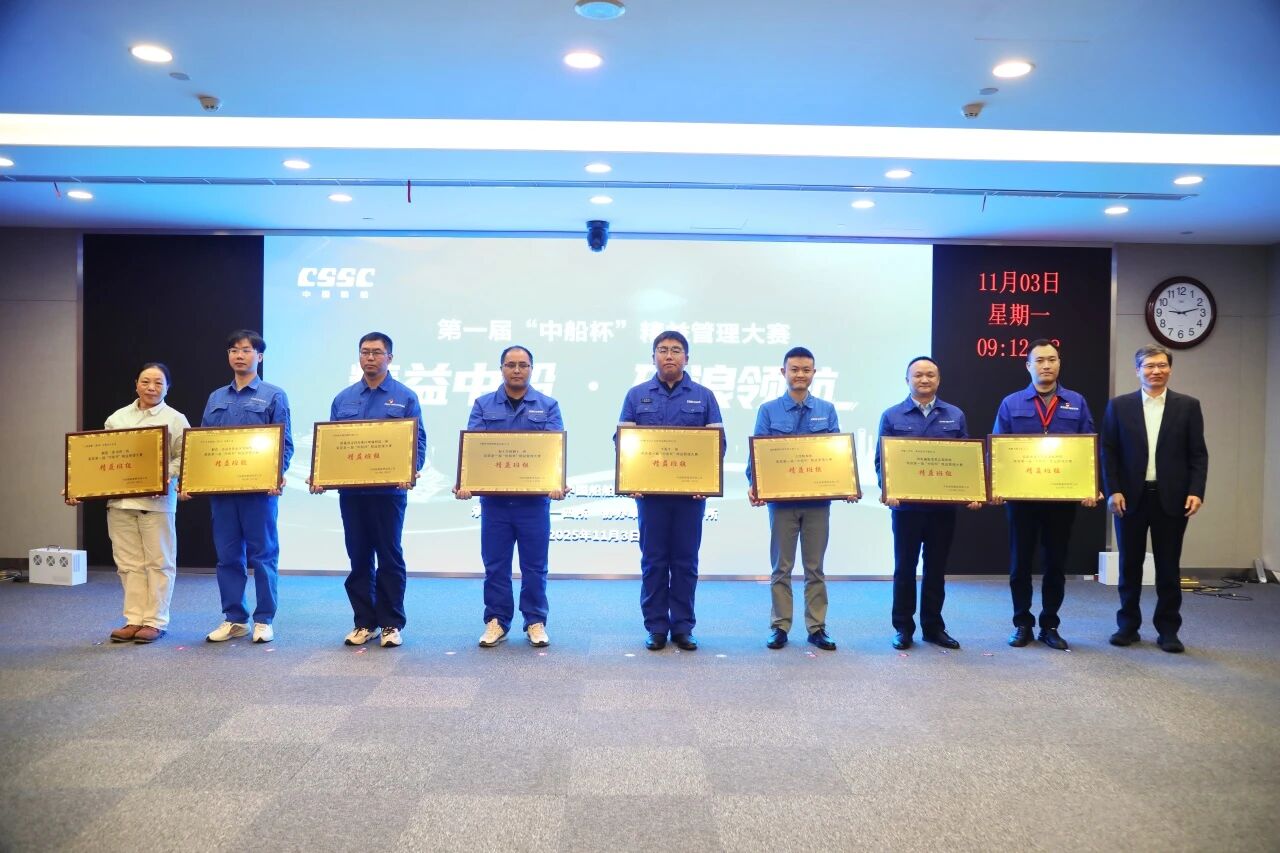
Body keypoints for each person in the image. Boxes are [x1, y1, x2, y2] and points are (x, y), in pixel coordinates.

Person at [311, 332, 425, 649]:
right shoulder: (343, 398)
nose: (370, 357)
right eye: (365, 352)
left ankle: (390, 624)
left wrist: (410, 471)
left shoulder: (405, 397)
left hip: (389, 494)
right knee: (359, 558)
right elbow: (332, 446)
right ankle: (364, 623)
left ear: (390, 357)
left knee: (389, 557)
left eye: (377, 352)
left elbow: (418, 442)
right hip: (352, 495)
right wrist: (321, 474)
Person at [66, 363, 189, 644]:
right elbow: (101, 460)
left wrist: (162, 476)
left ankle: (155, 621)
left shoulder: (176, 419)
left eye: (158, 383)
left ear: (168, 387)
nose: (151, 388)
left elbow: (184, 457)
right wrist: (78, 487)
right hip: (120, 503)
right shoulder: (117, 418)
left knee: (159, 563)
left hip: (157, 503)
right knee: (128, 564)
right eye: (146, 382)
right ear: (136, 384)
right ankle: (134, 619)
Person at [618, 330, 724, 651]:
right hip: (651, 498)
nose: (669, 355)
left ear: (686, 358)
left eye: (676, 350)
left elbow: (717, 444)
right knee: (653, 562)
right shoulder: (636, 395)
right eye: (662, 350)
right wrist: (630, 479)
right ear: (653, 357)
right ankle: (655, 627)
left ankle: (683, 627)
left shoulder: (704, 396)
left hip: (690, 498)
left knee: (685, 563)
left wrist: (707, 481)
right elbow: (622, 443)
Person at [454, 345, 564, 648]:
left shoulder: (548, 405)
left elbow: (553, 452)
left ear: (532, 369)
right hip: (495, 504)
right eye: (510, 365)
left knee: (534, 567)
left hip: (534, 504)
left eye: (523, 365)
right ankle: (497, 621)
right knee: (495, 567)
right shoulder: (483, 404)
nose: (517, 370)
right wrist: (467, 482)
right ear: (501, 368)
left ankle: (535, 621)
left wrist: (555, 482)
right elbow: (475, 451)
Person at [747, 346, 855, 652]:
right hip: (781, 503)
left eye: (806, 370)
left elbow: (836, 454)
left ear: (814, 373)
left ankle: (816, 627)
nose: (800, 374)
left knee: (815, 568)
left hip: (818, 503)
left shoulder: (827, 409)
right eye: (794, 369)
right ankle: (780, 626)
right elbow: (758, 454)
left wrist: (846, 483)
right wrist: (755, 484)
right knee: (781, 567)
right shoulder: (768, 410)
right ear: (783, 372)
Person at [993, 339, 1099, 651]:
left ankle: (1050, 625)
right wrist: (996, 486)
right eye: (1039, 360)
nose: (1046, 365)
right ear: (1028, 366)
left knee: (1055, 564)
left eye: (1052, 359)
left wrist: (1090, 486)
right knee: (1020, 564)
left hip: (1060, 500)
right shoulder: (1011, 403)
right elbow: (998, 449)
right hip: (1021, 500)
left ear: (1059, 363)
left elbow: (1089, 447)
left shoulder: (1076, 402)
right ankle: (1022, 623)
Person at [1101, 343, 1207, 653]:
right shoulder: (1119, 406)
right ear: (1137, 371)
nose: (1155, 371)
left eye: (1161, 365)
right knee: (1129, 566)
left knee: (1168, 567)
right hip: (1129, 498)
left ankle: (1168, 630)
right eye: (1148, 366)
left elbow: (1198, 454)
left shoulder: (1188, 406)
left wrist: (1196, 491)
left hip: (1172, 497)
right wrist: (1113, 489)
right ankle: (1127, 626)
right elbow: (1108, 452)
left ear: (1170, 369)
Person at [193, 330, 293, 644]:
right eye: (234, 350)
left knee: (263, 555)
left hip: (259, 492)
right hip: (223, 493)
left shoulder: (274, 395)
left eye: (247, 350)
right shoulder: (216, 397)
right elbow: (204, 444)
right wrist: (197, 478)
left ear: (259, 356)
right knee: (228, 557)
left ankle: (264, 619)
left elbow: (284, 443)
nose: (240, 355)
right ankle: (234, 618)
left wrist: (276, 474)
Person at [875, 356, 981, 651]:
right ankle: (903, 628)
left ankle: (933, 627)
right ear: (907, 380)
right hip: (906, 509)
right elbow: (881, 460)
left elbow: (966, 460)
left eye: (930, 375)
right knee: (904, 569)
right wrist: (887, 489)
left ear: (939, 379)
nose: (924, 380)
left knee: (936, 569)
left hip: (942, 510)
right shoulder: (892, 415)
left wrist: (972, 491)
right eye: (918, 375)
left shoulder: (955, 415)